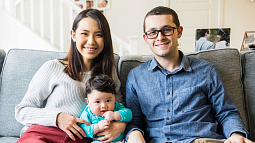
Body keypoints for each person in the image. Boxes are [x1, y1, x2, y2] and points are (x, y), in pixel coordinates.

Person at [125, 6, 252, 143]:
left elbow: (226, 112)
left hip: (200, 139)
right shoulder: (136, 76)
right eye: (152, 32)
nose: (160, 37)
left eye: (167, 30)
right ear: (145, 38)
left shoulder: (206, 71)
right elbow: (134, 120)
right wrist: (133, 132)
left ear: (179, 32)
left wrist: (236, 134)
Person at [15, 9, 126, 143]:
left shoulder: (108, 72)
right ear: (73, 35)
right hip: (44, 132)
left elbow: (120, 107)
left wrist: (121, 125)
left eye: (98, 35)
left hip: (79, 138)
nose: (91, 42)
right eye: (84, 34)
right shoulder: (53, 67)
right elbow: (21, 111)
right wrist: (57, 117)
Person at [79, 74, 132, 143]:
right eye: (97, 102)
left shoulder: (116, 107)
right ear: (88, 102)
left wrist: (115, 115)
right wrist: (97, 127)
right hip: (99, 141)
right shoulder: (88, 112)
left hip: (120, 140)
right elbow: (82, 130)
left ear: (114, 98)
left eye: (108, 101)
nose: (103, 106)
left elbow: (129, 114)